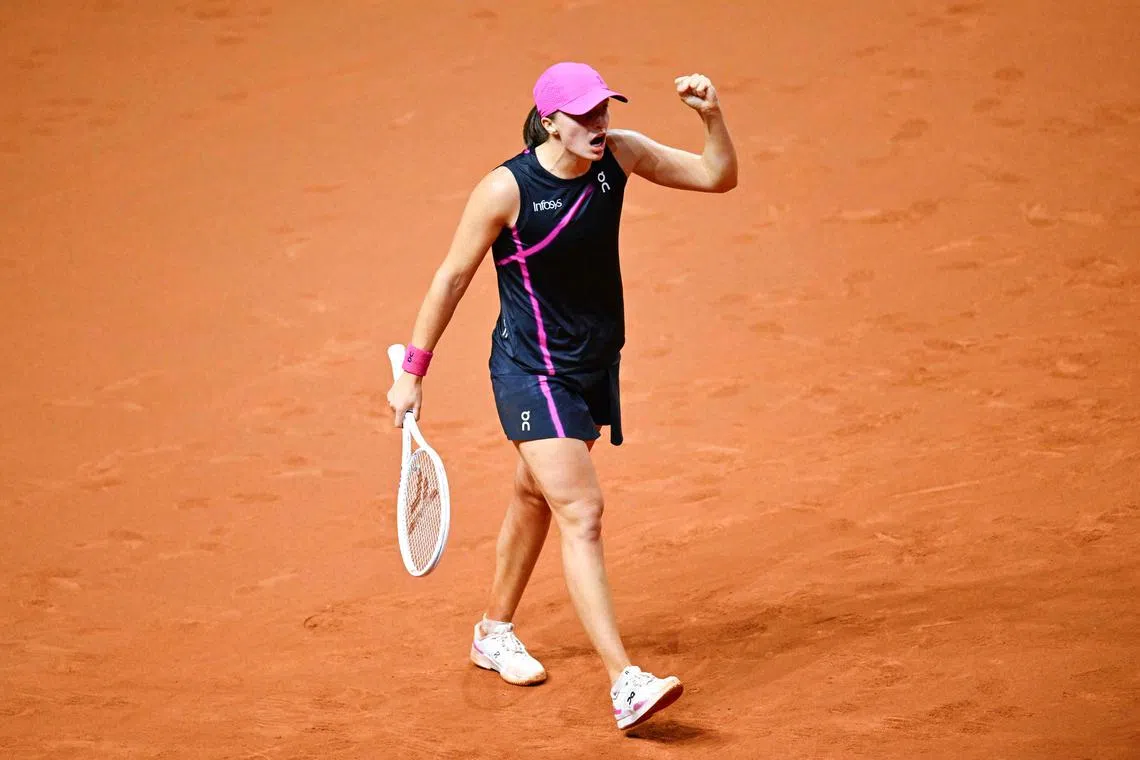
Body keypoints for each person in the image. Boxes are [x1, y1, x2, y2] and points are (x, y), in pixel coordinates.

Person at [387, 61, 737, 730]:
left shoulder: (620, 157)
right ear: (550, 122)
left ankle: (492, 631)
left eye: (603, 108)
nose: (598, 123)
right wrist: (415, 369)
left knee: (533, 494)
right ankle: (624, 681)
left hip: (590, 366)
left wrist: (711, 116)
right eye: (582, 115)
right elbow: (452, 277)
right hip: (529, 370)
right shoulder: (505, 190)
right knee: (580, 508)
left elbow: (717, 176)